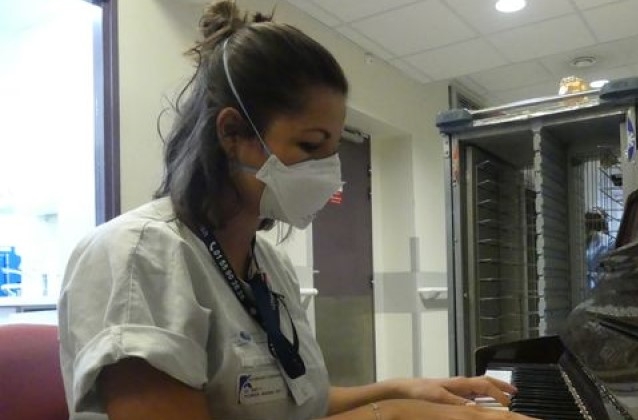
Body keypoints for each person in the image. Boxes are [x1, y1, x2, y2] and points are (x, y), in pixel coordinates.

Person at [57, 1, 535, 419]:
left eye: (332, 150)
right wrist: (389, 415)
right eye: (310, 145)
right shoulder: (139, 257)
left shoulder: (269, 266)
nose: (329, 172)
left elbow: (294, 407)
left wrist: (406, 389)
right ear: (233, 134)